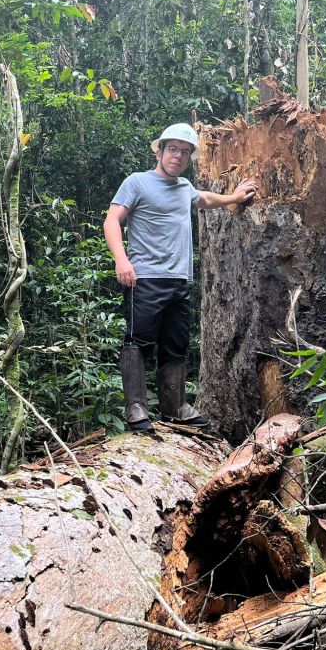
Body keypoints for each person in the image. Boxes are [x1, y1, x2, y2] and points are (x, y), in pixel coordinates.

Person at [103, 122, 258, 430]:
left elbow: (206, 199)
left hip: (179, 280)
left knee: (176, 344)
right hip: (144, 277)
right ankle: (136, 409)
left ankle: (174, 408)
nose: (178, 156)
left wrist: (234, 198)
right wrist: (121, 260)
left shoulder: (184, 187)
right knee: (138, 341)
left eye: (185, 152)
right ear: (159, 151)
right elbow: (112, 220)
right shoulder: (137, 182)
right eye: (172, 149)